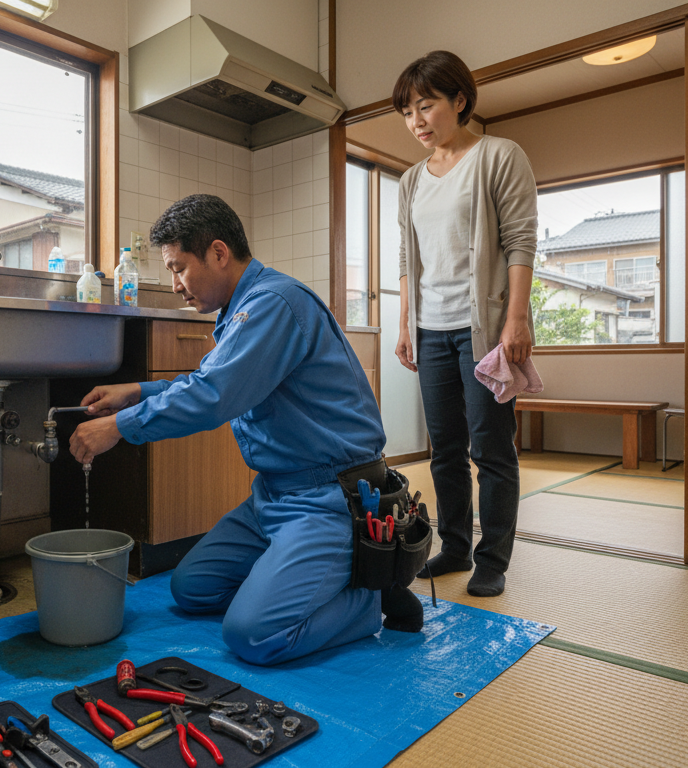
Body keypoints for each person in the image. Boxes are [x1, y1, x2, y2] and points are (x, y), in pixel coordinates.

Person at [69, 194, 424, 666]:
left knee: (253, 636)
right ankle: (300, 577)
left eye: (179, 268)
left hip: (329, 498)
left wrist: (120, 426)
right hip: (272, 496)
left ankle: (371, 593)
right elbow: (210, 381)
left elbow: (214, 395)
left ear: (218, 253)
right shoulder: (241, 309)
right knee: (191, 588)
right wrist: (137, 391)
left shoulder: (273, 304)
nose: (175, 285)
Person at [391, 51, 538, 597]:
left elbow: (520, 241)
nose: (417, 121)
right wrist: (405, 324)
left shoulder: (499, 155)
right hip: (430, 330)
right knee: (445, 450)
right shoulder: (411, 180)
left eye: (425, 106)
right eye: (408, 112)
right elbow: (407, 258)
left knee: (491, 449)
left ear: (459, 100)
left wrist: (515, 319)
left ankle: (492, 559)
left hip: (485, 330)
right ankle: (453, 546)